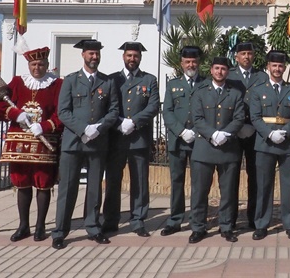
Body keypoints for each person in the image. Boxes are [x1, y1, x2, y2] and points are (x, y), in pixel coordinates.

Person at [0, 44, 63, 242]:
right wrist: (15, 113)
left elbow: (62, 114)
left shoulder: (57, 85)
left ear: (47, 65)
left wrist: (46, 126)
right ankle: (23, 225)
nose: (36, 68)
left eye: (40, 64)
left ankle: (40, 226)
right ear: (28, 65)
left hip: (44, 142)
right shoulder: (16, 83)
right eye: (33, 64)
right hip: (19, 143)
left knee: (43, 184)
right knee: (22, 183)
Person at [51, 39, 120, 250]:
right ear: (83, 55)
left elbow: (114, 111)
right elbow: (63, 111)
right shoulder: (71, 81)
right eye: (91, 53)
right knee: (68, 187)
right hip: (73, 143)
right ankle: (60, 231)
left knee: (94, 188)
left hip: (98, 142)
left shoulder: (107, 82)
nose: (94, 57)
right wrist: (83, 129)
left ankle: (92, 226)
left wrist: (98, 128)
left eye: (97, 53)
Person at [102, 42, 160, 237]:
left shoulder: (149, 80)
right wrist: (118, 122)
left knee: (140, 182)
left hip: (138, 139)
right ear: (123, 57)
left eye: (135, 56)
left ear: (140, 58)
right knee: (112, 181)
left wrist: (133, 122)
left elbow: (153, 107)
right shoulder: (112, 80)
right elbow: (107, 105)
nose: (132, 59)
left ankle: (138, 220)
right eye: (129, 56)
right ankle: (110, 220)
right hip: (116, 138)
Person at [188, 57, 246, 244]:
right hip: (204, 148)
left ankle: (227, 226)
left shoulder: (235, 93)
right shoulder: (200, 92)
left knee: (228, 191)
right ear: (211, 70)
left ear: (227, 71)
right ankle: (198, 227)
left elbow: (238, 118)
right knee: (199, 191)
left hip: (228, 149)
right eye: (217, 68)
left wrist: (226, 134)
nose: (220, 72)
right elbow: (197, 118)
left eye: (223, 69)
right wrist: (212, 134)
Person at [249, 50, 290, 241]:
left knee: (288, 186)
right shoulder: (258, 90)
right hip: (265, 143)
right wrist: (270, 133)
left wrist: (286, 132)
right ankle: (262, 224)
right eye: (274, 65)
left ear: (284, 67)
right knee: (264, 186)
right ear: (268, 67)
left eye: (280, 66)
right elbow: (254, 117)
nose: (277, 69)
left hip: (287, 144)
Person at [160, 45, 205, 236]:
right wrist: (181, 131)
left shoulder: (205, 84)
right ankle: (175, 219)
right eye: (187, 61)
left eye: (194, 61)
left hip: (198, 141)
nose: (191, 65)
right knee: (176, 181)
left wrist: (195, 131)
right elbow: (167, 112)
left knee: (198, 183)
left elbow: (208, 111)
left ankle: (196, 221)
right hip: (178, 141)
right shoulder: (173, 85)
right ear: (181, 63)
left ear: (199, 63)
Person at [226, 41, 267, 230]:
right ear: (236, 57)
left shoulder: (262, 76)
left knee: (256, 176)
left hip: (255, 132)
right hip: (233, 133)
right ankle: (230, 219)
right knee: (230, 176)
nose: (246, 57)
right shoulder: (229, 75)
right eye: (242, 53)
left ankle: (254, 217)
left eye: (249, 54)